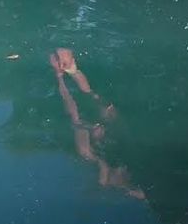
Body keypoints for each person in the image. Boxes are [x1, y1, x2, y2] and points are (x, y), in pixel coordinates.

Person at [49, 48, 144, 199]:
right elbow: (93, 100)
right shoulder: (121, 142)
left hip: (94, 136)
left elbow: (73, 111)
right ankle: (72, 71)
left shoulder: (87, 151)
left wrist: (59, 77)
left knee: (82, 109)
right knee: (101, 104)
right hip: (110, 143)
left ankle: (68, 72)